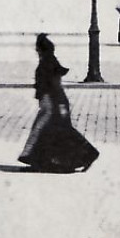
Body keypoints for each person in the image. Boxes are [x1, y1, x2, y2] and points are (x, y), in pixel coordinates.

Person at [18, 34, 98, 173]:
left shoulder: (46, 64)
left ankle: (86, 155)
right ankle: (84, 156)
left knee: (45, 130)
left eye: (37, 49)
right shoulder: (50, 61)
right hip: (55, 102)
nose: (36, 51)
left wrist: (52, 103)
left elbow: (51, 85)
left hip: (52, 103)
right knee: (55, 132)